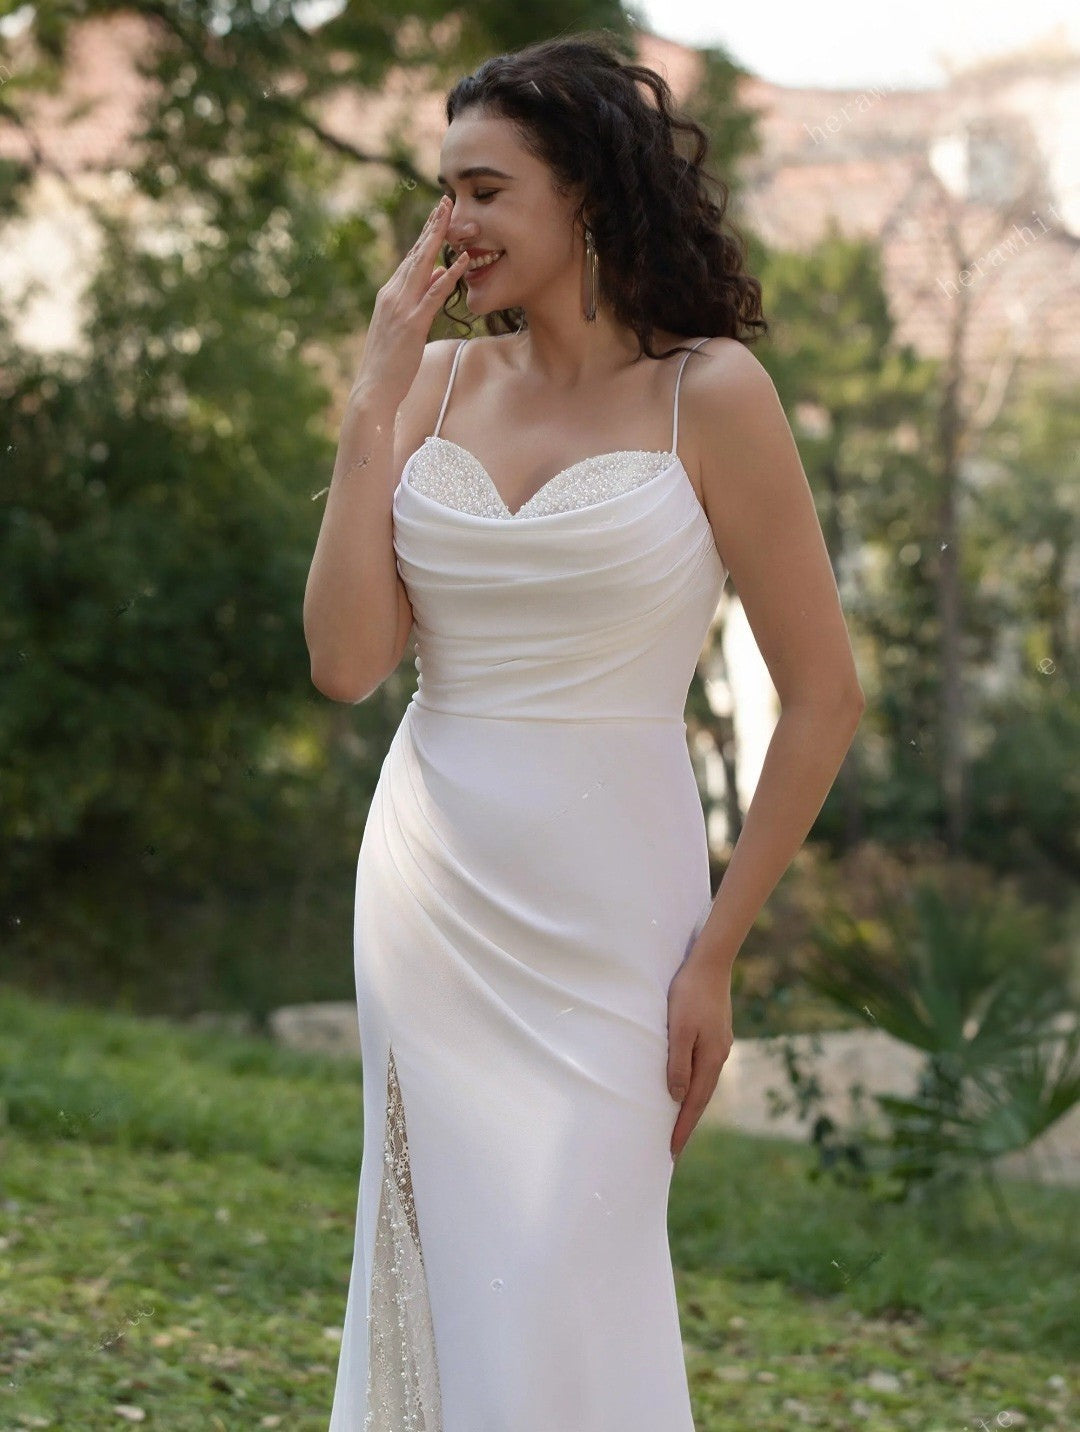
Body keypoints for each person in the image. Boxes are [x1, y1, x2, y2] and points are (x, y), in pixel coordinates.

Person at [304, 30, 865, 1432]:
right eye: (446, 193)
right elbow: (346, 663)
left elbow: (825, 695)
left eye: (486, 191)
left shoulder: (710, 394)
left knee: (569, 1259)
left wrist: (718, 952)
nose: (455, 225)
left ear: (588, 198)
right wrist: (371, 397)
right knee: (438, 1268)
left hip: (622, 915)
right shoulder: (428, 391)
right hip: (432, 892)